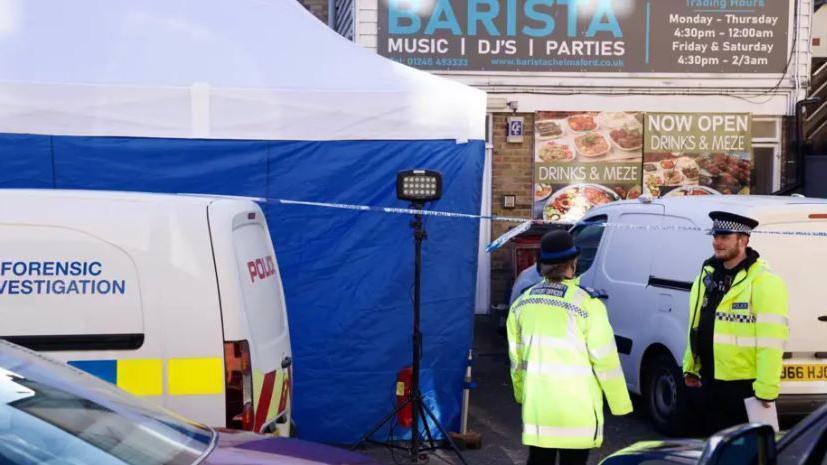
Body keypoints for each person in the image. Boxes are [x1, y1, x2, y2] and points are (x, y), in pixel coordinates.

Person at [507, 230, 632, 465]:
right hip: (577, 412)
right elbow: (606, 361)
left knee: (538, 460)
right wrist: (620, 404)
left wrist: (521, 393)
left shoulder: (522, 303)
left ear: (541, 265)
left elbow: (517, 359)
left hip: (538, 408)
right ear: (573, 264)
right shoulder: (588, 304)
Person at [683, 211, 789, 433]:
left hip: (742, 387)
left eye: (724, 236)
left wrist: (766, 389)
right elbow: (696, 325)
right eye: (715, 236)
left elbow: (772, 342)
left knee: (742, 452)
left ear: (743, 239)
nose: (717, 242)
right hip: (709, 380)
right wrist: (691, 367)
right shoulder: (707, 275)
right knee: (711, 446)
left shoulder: (763, 282)